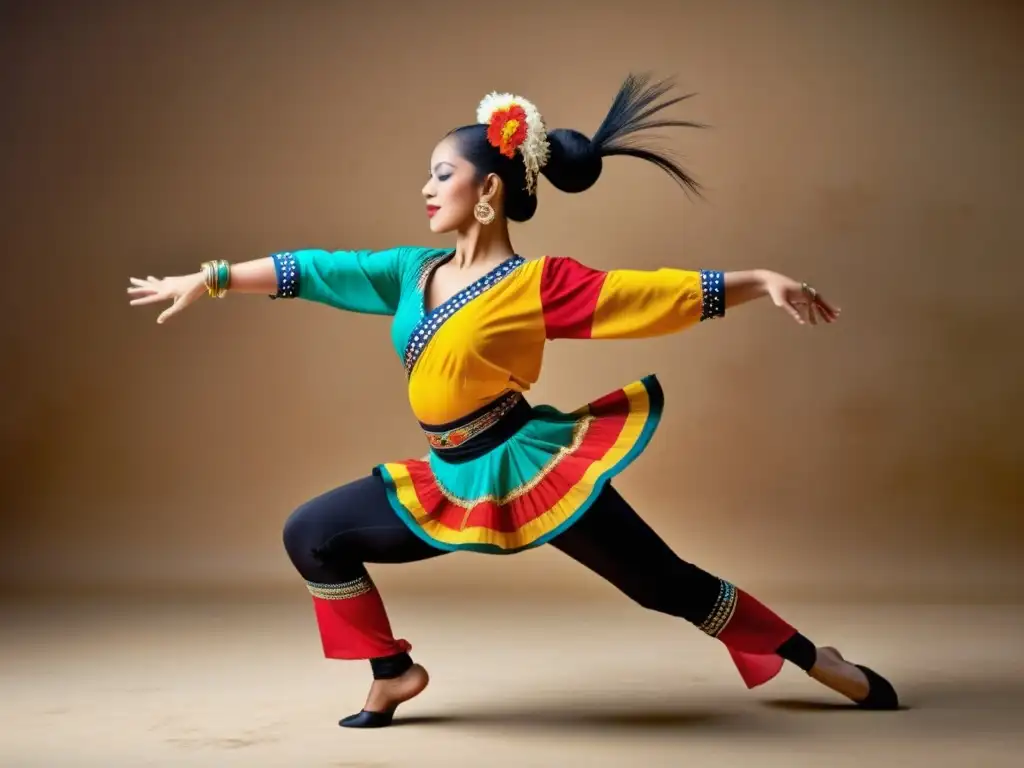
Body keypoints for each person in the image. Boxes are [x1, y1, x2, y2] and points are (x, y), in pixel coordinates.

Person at [127, 73, 899, 728]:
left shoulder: (539, 286)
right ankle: (391, 671)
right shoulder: (411, 271)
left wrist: (760, 282)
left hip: (527, 470)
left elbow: (650, 295)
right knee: (313, 534)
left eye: (440, 174)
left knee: (665, 584)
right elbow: (314, 269)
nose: (425, 188)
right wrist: (215, 276)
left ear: (488, 188)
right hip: (448, 478)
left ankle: (812, 656)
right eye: (427, 175)